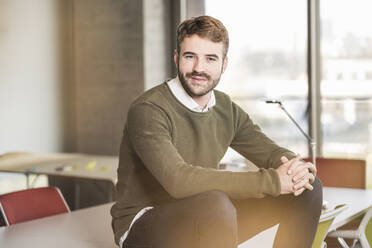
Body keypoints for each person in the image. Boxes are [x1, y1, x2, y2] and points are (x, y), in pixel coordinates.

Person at [110, 15, 322, 248]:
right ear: (176, 58)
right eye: (190, 57)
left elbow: (269, 151)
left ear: (224, 64)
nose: (199, 68)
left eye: (210, 59)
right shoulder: (149, 109)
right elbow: (178, 180)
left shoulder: (225, 109)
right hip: (144, 224)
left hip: (206, 213)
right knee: (215, 203)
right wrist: (273, 181)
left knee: (307, 190)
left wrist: (296, 168)